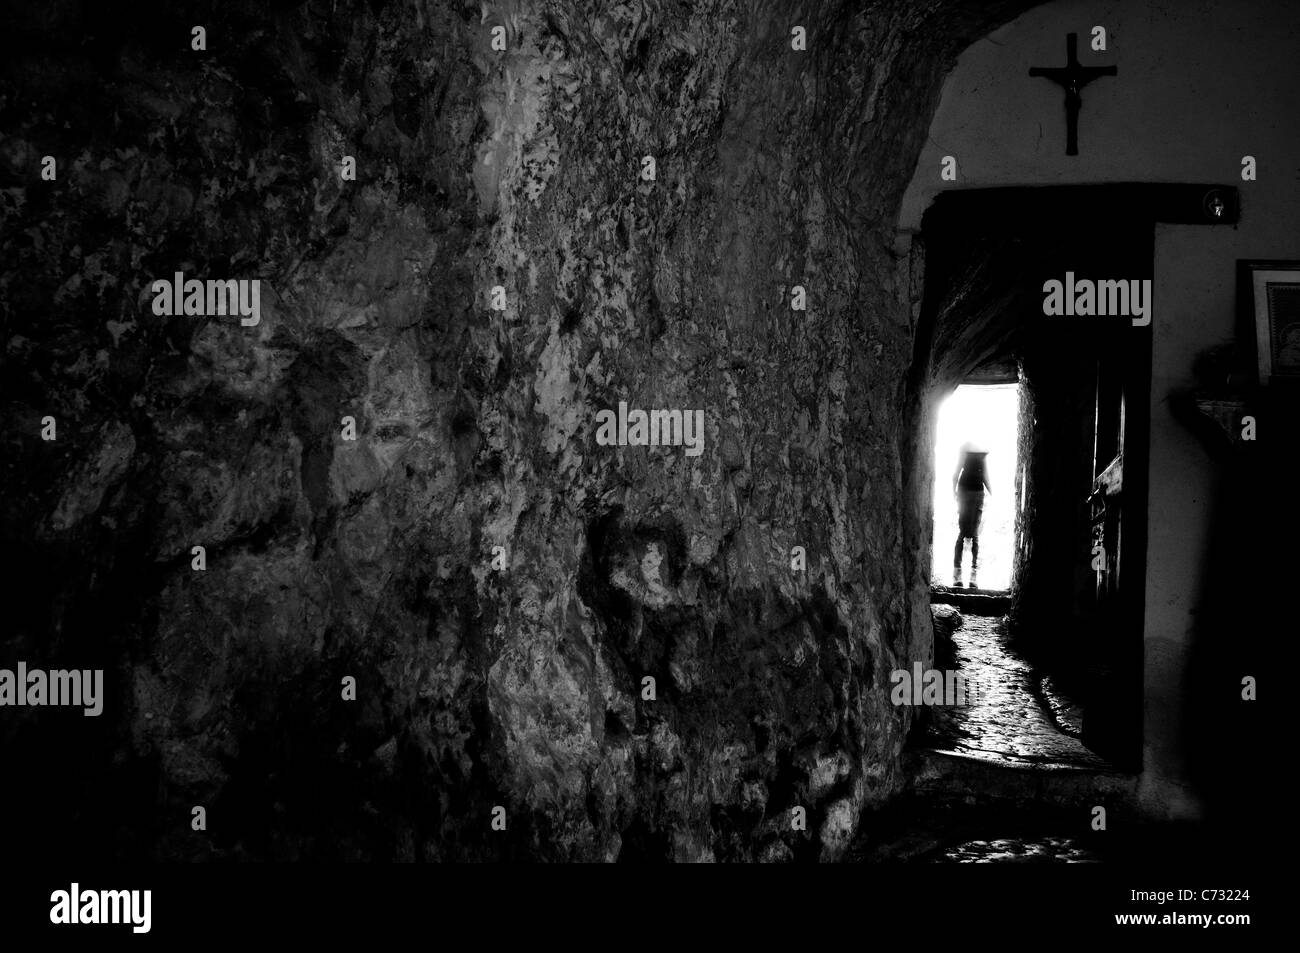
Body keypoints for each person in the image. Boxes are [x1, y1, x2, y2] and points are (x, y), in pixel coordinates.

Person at [952, 442, 991, 588]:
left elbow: (956, 474)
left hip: (967, 492)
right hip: (973, 493)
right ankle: (968, 577)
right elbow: (985, 476)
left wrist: (953, 492)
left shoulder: (969, 448)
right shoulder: (977, 450)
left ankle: (960, 576)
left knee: (966, 533)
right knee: (971, 534)